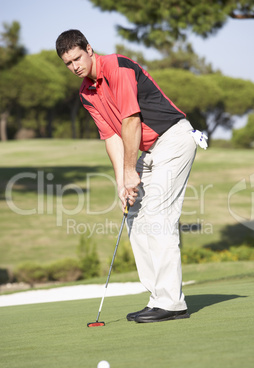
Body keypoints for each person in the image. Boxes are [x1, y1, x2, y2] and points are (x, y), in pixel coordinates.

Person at [56, 29, 207, 323]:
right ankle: (158, 297)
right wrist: (121, 181)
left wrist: (129, 170)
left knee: (158, 216)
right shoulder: (87, 94)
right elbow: (111, 135)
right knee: (133, 214)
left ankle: (172, 303)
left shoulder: (118, 67)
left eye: (77, 58)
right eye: (68, 63)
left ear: (89, 49)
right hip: (149, 150)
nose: (75, 66)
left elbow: (130, 121)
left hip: (173, 139)